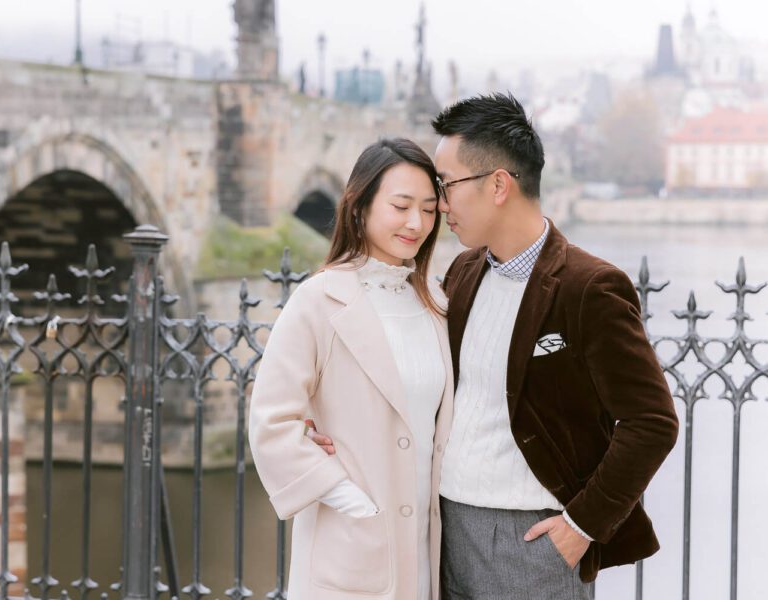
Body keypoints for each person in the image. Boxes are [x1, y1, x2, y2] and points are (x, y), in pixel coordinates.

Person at [430, 93, 679, 599]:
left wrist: (581, 527)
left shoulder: (589, 287)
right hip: (444, 528)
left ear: (498, 184)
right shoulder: (462, 273)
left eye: (446, 185)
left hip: (532, 542)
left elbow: (652, 423)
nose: (439, 203)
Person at [248, 138, 455, 600]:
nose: (416, 223)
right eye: (400, 206)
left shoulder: (436, 303)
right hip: (353, 546)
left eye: (428, 208)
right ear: (359, 207)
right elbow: (270, 421)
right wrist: (348, 500)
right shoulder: (318, 301)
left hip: (426, 544)